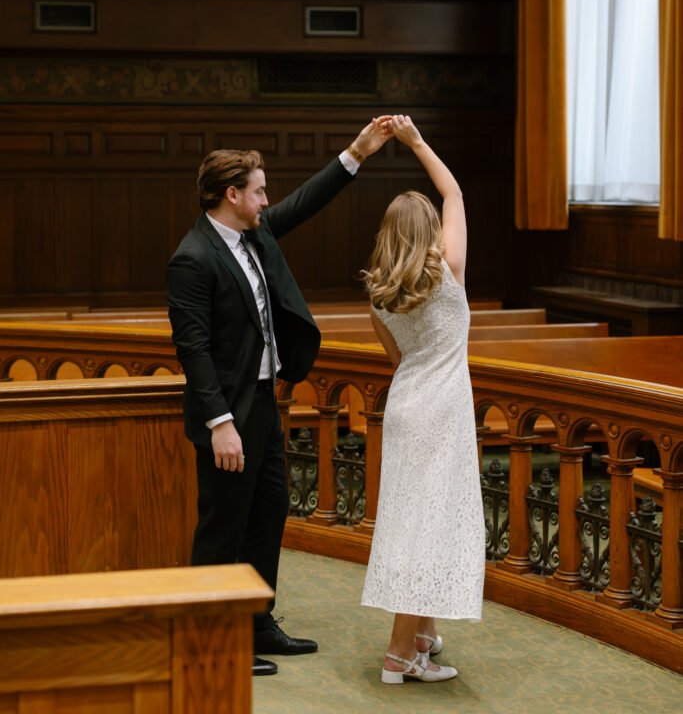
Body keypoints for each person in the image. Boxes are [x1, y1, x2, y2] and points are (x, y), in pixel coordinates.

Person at [165, 117, 391, 677]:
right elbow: (192, 349)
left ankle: (257, 621)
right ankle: (213, 642)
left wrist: (356, 154)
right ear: (231, 194)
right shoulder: (191, 259)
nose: (269, 199)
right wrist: (220, 422)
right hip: (227, 415)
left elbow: (303, 205)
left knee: (269, 513)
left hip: (264, 403)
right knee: (223, 525)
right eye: (260, 190)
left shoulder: (255, 234)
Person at [360, 114, 485, 685]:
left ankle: (422, 636)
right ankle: (397, 655)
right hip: (445, 409)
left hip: (408, 405)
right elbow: (454, 189)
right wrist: (415, 142)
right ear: (429, 231)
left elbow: (398, 363)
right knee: (428, 527)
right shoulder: (448, 275)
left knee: (415, 520)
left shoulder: (380, 298)